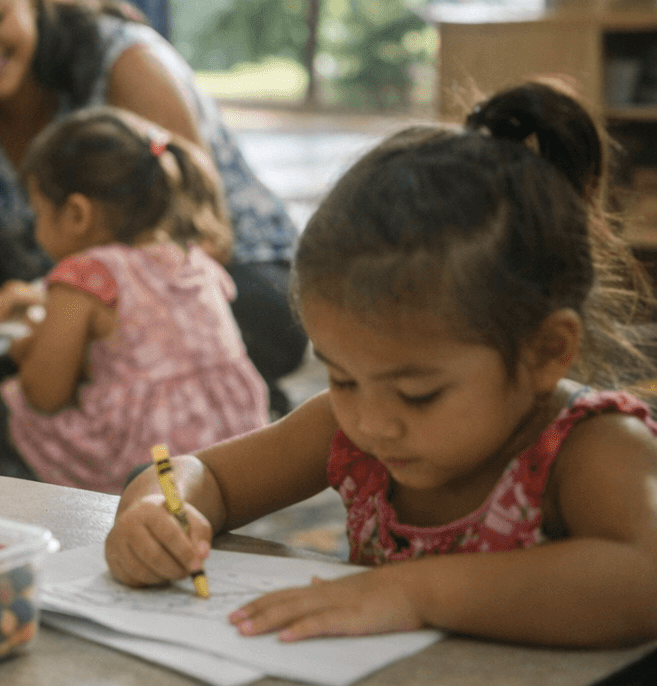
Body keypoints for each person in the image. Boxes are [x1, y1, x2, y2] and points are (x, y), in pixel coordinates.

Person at [104, 81, 657, 647]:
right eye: (341, 378)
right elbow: (200, 473)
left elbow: (643, 583)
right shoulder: (347, 429)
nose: (371, 421)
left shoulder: (594, 449)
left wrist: (413, 593)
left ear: (545, 352)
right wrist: (152, 509)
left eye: (418, 394)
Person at [0, 0, 304, 410]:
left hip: (208, 273)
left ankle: (203, 407)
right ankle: (175, 405)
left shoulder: (123, 62)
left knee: (201, 334)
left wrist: (60, 307)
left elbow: (186, 236)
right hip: (61, 307)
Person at [0, 106, 268, 492]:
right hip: (237, 451)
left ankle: (20, 482)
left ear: (76, 213)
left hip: (149, 463)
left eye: (37, 213)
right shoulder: (192, 258)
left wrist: (28, 351)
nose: (36, 228)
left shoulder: (84, 273)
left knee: (6, 404)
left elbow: (44, 395)